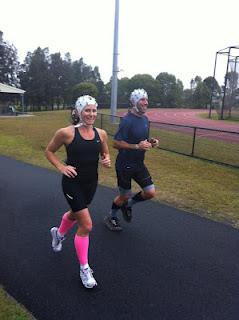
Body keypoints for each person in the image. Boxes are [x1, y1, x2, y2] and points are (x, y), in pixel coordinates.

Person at [45, 95, 111, 289]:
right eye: (87, 110)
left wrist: (106, 160)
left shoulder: (102, 134)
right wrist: (61, 167)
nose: (91, 114)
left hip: (91, 183)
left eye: (93, 110)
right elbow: (49, 151)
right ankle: (85, 269)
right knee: (87, 225)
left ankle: (58, 233)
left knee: (75, 214)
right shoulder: (66, 133)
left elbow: (105, 153)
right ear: (78, 111)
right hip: (72, 183)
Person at [104, 88, 159, 231]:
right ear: (134, 102)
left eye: (146, 99)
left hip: (138, 164)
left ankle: (129, 205)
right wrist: (136, 146)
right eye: (142, 100)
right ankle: (111, 217)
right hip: (124, 165)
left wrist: (150, 141)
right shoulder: (127, 120)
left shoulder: (145, 119)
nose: (146, 103)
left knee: (150, 192)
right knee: (124, 195)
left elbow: (142, 140)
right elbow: (116, 143)